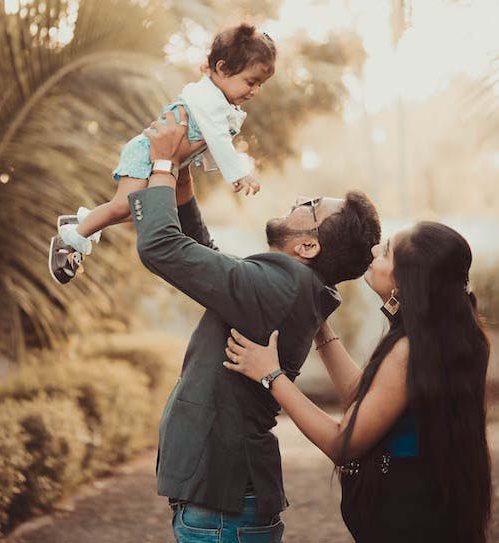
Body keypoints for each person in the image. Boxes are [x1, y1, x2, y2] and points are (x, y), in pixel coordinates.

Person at [94, 107, 380, 542]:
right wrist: (182, 186)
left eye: (310, 206)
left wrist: (164, 163)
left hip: (222, 514)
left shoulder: (281, 285)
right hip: (228, 507)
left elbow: (161, 248)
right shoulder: (290, 286)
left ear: (308, 246)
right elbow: (210, 262)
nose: (299, 200)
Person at [224, 221, 491, 543]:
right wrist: (320, 326)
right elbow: (368, 399)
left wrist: (271, 375)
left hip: (407, 524)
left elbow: (343, 443)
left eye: (386, 251)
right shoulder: (450, 336)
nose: (375, 249)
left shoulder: (409, 350)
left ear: (405, 282)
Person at [49, 23, 275, 282]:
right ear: (222, 68)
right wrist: (239, 173)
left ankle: (82, 223)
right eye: (251, 82)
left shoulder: (218, 100)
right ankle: (70, 241)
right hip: (147, 154)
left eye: (260, 85)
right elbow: (218, 138)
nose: (255, 91)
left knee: (140, 212)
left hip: (163, 159)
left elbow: (208, 141)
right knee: (122, 206)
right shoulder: (209, 99)